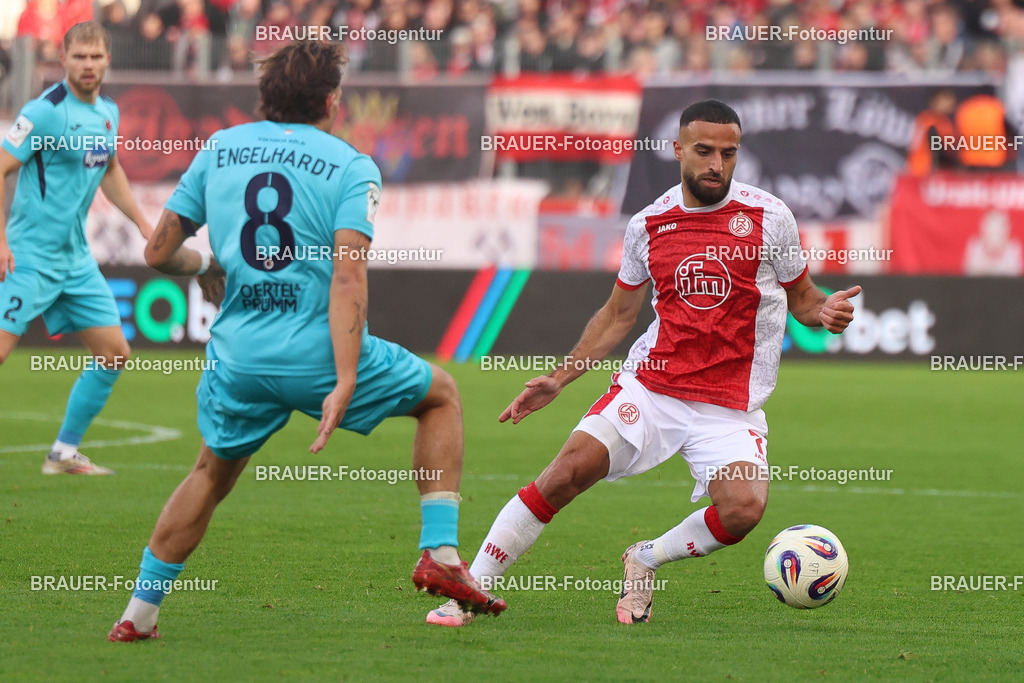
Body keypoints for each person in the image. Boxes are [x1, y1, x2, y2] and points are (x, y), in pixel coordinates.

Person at [107, 39, 505, 643]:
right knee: (441, 396)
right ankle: (441, 553)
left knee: (209, 474)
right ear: (331, 100)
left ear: (266, 95)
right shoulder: (350, 165)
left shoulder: (219, 149)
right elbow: (347, 276)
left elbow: (158, 252)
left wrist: (206, 265)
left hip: (240, 356)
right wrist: (345, 376)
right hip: (317, 353)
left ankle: (137, 616)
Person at [427, 99, 862, 627]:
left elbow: (804, 299)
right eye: (704, 151)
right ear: (678, 149)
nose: (716, 165)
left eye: (728, 154)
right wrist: (560, 378)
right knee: (564, 475)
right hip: (653, 387)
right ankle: (468, 591)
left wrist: (827, 311)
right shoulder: (649, 224)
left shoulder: (770, 217)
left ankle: (645, 558)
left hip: (730, 403)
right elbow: (618, 315)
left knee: (743, 510)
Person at [0, 21, 154, 475]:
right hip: (29, 257)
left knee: (114, 353)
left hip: (76, 261)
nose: (88, 65)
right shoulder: (44, 112)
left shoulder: (108, 112)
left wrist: (144, 223)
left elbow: (110, 169)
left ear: (108, 60)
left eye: (96, 56)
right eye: (80, 56)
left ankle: (63, 453)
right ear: (63, 58)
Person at [906, 88, 957, 176]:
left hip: (934, 170)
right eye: (945, 99)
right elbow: (938, 150)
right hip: (925, 170)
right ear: (934, 101)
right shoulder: (928, 121)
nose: (950, 103)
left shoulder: (944, 121)